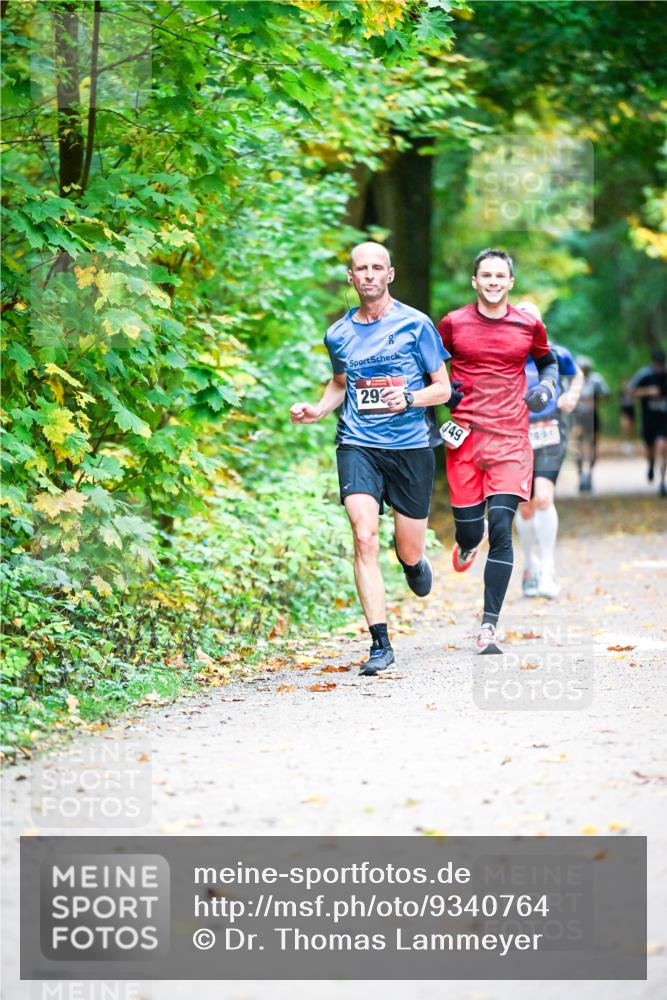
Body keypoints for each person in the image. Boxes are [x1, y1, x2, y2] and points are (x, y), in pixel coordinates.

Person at [290, 242, 453, 676]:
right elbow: (340, 383)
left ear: (390, 274)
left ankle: (412, 563)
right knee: (364, 536)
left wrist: (411, 396)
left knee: (408, 547)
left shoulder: (417, 325)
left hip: (411, 447)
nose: (368, 275)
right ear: (351, 277)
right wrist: (318, 409)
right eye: (360, 268)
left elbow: (444, 388)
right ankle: (380, 643)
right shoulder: (338, 333)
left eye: (376, 267)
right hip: (357, 443)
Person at [436, 249, 559, 654]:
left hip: (510, 440)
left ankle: (489, 626)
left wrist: (544, 388)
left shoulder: (528, 325)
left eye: (499, 276)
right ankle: (469, 540)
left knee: (502, 529)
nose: (492, 281)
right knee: (473, 529)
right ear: (475, 281)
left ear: (510, 282)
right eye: (485, 275)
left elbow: (548, 362)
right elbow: (429, 367)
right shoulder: (453, 324)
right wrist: (445, 392)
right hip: (465, 440)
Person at [513, 302, 583, 599]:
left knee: (543, 498)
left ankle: (548, 569)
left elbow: (576, 374)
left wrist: (572, 394)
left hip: (550, 430)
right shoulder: (506, 357)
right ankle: (530, 564)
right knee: (525, 505)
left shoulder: (555, 352)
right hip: (515, 433)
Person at [571, 356, 610, 492]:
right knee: (579, 447)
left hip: (592, 416)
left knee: (593, 445)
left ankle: (590, 475)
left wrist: (596, 402)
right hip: (578, 417)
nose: (584, 370)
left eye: (586, 368)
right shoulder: (572, 380)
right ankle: (581, 477)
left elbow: (606, 394)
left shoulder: (596, 379)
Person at [632, 349, 667, 496]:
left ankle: (662, 481)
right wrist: (649, 391)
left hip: (664, 418)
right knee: (650, 448)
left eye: (661, 363)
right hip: (648, 418)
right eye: (656, 362)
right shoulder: (644, 374)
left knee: (663, 446)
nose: (658, 365)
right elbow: (631, 392)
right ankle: (651, 464)